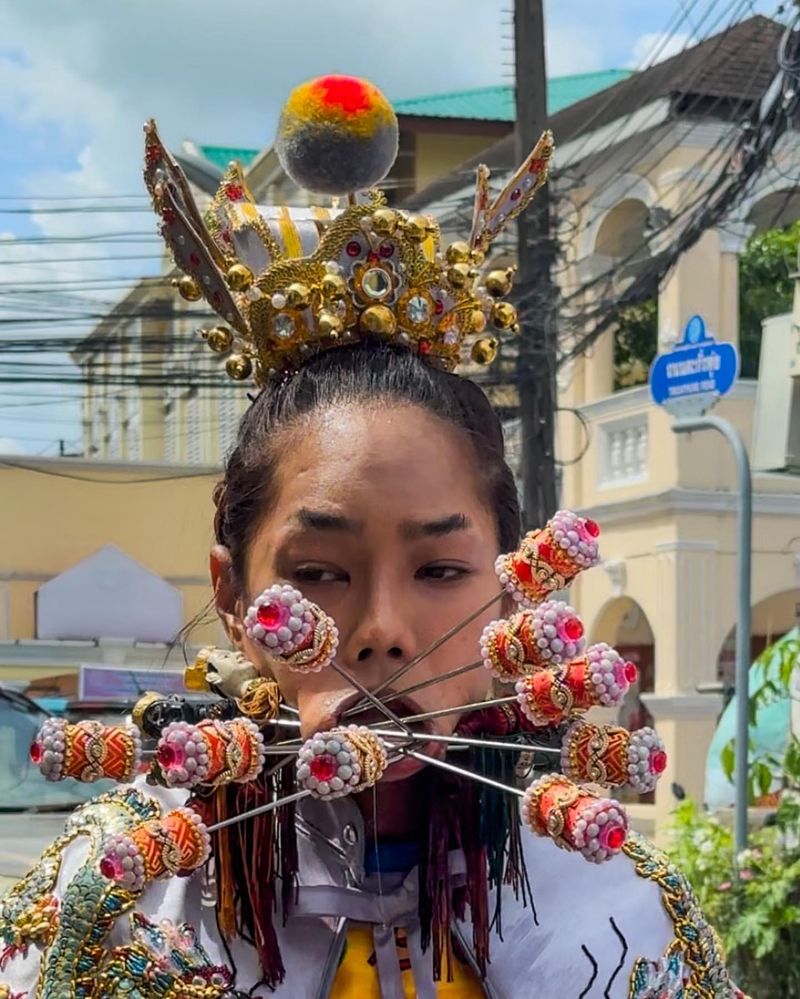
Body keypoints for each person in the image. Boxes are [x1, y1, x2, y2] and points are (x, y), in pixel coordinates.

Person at [0, 76, 744, 999]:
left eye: (440, 567)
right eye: (318, 570)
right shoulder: (118, 899)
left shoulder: (615, 905)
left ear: (513, 593)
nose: (384, 629)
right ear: (231, 595)